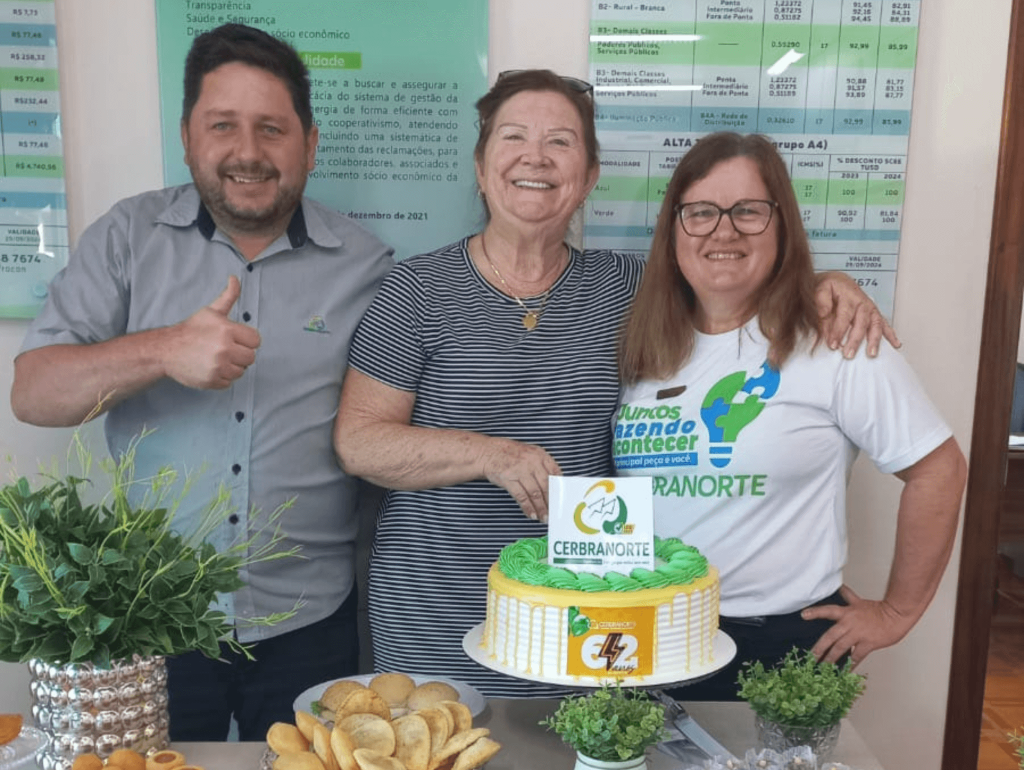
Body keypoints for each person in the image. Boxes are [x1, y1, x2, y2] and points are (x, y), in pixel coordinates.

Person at [10, 22, 392, 770]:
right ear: (188, 134)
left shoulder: (368, 264)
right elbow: (34, 390)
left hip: (308, 620)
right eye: (223, 124)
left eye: (272, 127)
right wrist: (163, 351)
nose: (247, 149)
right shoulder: (128, 238)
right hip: (149, 629)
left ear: (308, 142)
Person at [334, 69, 892, 699]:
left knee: (579, 764)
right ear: (481, 166)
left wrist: (829, 285)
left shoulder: (633, 289)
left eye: (561, 142)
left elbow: (735, 280)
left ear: (590, 176)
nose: (535, 157)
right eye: (513, 137)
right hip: (434, 615)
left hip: (596, 620)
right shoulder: (415, 290)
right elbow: (359, 443)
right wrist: (491, 454)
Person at [614, 131, 967, 698]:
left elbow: (939, 469)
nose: (723, 230)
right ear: (673, 230)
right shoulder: (646, 346)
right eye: (700, 212)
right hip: (650, 633)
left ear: (782, 226)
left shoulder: (834, 339)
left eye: (748, 211)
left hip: (777, 648)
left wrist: (897, 612)